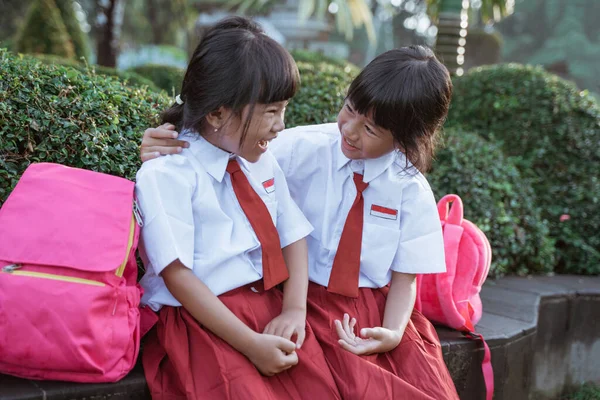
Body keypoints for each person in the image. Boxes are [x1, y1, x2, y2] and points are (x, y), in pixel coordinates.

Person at [141, 46, 460, 400]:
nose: (350, 131)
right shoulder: (295, 148)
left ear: (407, 138)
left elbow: (406, 277)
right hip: (298, 298)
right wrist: (170, 142)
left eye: (369, 128)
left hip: (368, 308)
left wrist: (395, 330)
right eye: (349, 110)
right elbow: (226, 143)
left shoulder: (410, 188)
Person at [135, 16, 341, 400]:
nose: (281, 126)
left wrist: (295, 309)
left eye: (283, 110)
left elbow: (291, 233)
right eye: (270, 112)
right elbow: (178, 276)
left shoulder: (258, 157)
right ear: (216, 113)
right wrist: (249, 343)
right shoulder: (167, 174)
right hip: (204, 321)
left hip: (270, 306)